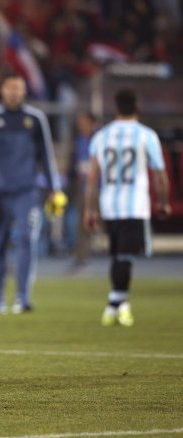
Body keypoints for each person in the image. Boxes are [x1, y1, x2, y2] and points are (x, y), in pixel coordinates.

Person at [0, 73, 65, 314]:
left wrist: (55, 188)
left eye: (19, 88)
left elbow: (47, 155)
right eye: (10, 88)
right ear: (2, 90)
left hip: (26, 191)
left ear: (24, 91)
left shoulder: (35, 118)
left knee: (26, 241)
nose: (14, 93)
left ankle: (23, 297)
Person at [84, 89, 171, 327]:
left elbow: (92, 178)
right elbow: (160, 174)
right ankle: (115, 304)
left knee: (118, 255)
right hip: (134, 204)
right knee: (125, 255)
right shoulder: (146, 135)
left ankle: (119, 304)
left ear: (115, 109)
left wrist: (89, 210)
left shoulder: (102, 136)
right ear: (138, 108)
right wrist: (163, 202)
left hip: (109, 204)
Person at [66, 112, 97, 268]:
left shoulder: (99, 141)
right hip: (83, 189)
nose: (81, 126)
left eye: (84, 122)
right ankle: (82, 256)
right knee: (81, 224)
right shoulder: (78, 142)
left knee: (107, 223)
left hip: (101, 189)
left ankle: (120, 254)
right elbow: (73, 167)